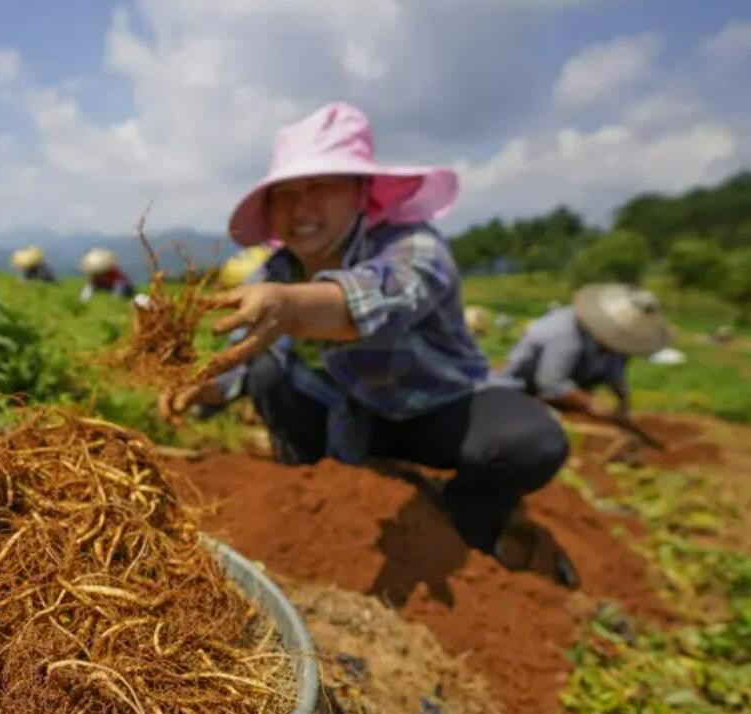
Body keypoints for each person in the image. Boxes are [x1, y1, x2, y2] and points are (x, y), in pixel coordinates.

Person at [159, 102, 570, 571]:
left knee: (531, 442)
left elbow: (373, 302)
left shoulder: (414, 247)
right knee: (268, 373)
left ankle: (466, 522)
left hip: (434, 413)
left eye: (320, 187)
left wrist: (292, 306)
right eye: (286, 194)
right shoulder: (275, 271)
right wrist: (210, 385)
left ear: (361, 193)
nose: (301, 207)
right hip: (348, 421)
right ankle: (310, 494)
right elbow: (254, 355)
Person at [500, 283, 669, 423]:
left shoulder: (613, 341)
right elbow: (551, 383)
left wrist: (624, 401)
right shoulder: (564, 332)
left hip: (566, 395)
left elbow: (614, 370)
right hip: (522, 391)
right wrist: (590, 403)